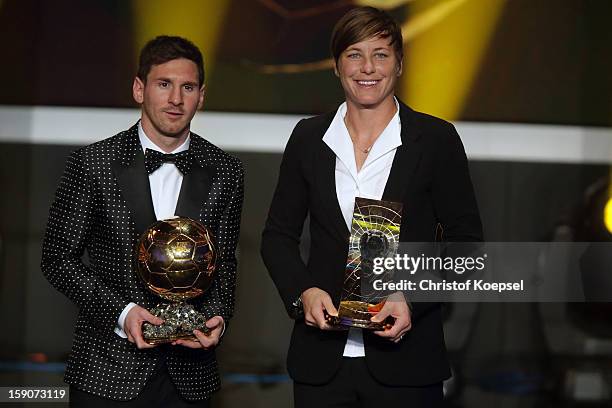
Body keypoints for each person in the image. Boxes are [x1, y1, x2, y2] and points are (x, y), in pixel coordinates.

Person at [261, 6, 482, 408]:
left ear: (399, 64)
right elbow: (277, 237)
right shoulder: (309, 137)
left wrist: (409, 296)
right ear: (336, 65)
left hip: (408, 364)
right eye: (354, 54)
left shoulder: (435, 139)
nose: (368, 67)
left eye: (380, 54)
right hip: (321, 362)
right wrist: (303, 293)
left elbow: (466, 244)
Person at [41, 35, 244, 407]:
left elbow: (225, 261)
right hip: (106, 370)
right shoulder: (92, 164)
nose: (176, 99)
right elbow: (56, 259)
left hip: (190, 375)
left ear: (202, 95)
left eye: (188, 87)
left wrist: (218, 316)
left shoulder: (226, 171)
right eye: (163, 84)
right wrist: (124, 313)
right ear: (139, 89)